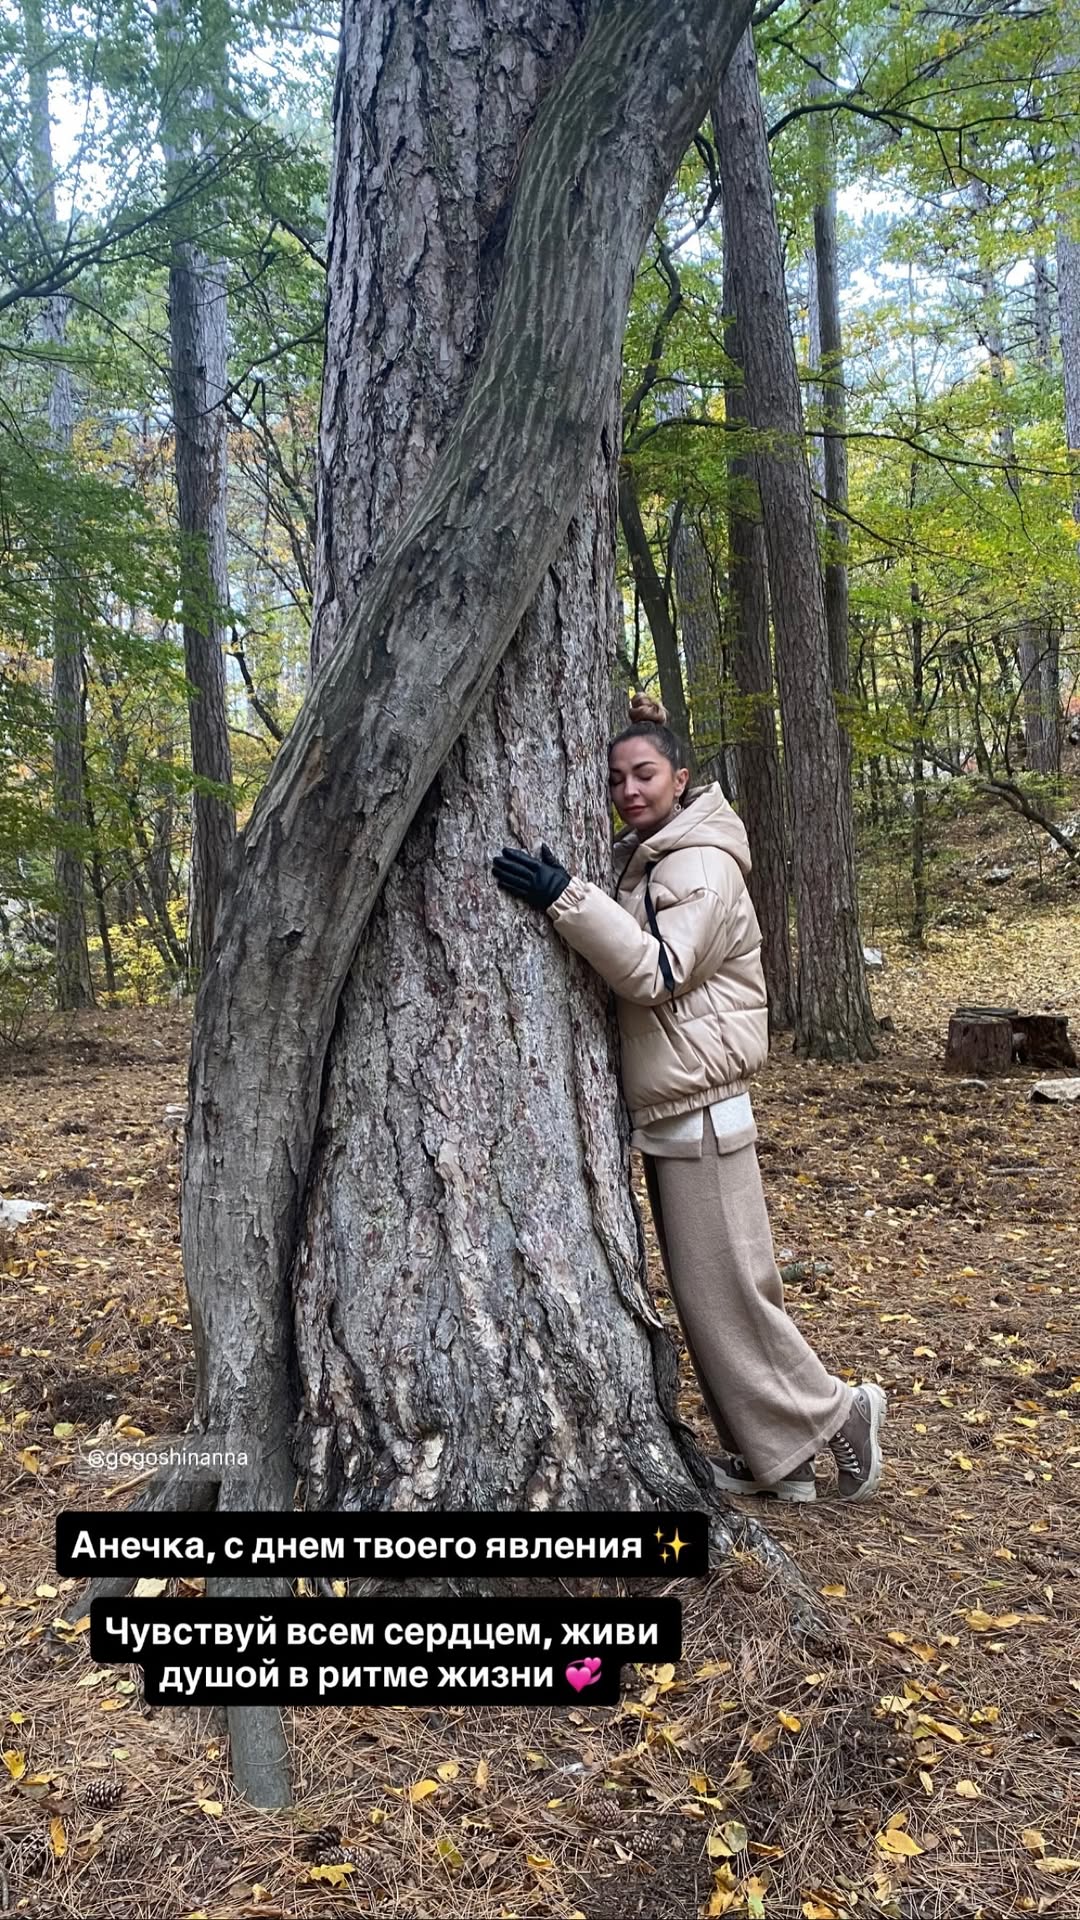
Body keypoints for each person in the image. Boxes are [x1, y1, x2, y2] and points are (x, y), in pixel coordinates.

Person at [491, 691, 886, 1502]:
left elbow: (656, 970)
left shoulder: (700, 863)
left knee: (730, 1297)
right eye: (616, 779)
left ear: (681, 778)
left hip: (704, 1111)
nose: (628, 791)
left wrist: (566, 896)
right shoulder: (657, 858)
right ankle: (779, 1459)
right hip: (679, 1108)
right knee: (712, 1302)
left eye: (645, 774)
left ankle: (840, 1413)